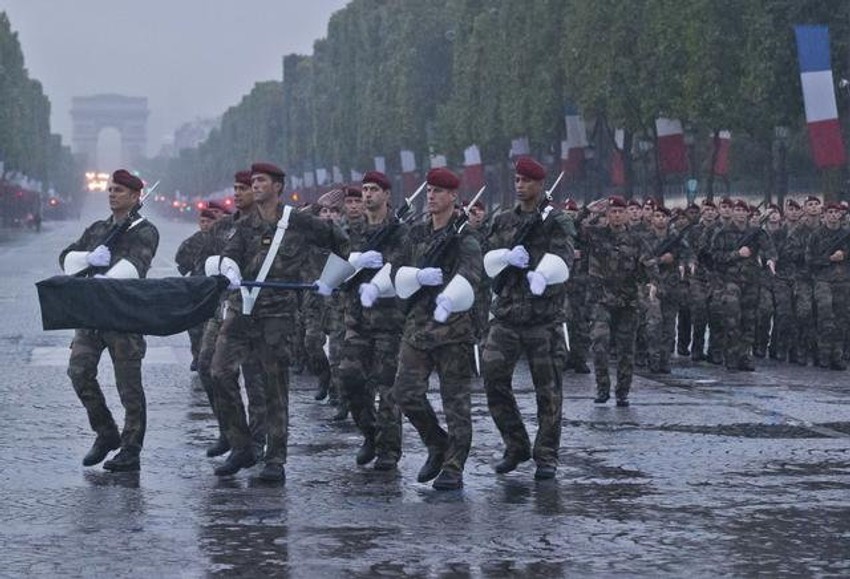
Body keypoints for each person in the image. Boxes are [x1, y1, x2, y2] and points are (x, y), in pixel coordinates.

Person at [209, 162, 349, 482]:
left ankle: (275, 459)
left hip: (277, 316)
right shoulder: (246, 223)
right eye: (253, 181)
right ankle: (242, 446)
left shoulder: (299, 222)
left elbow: (341, 243)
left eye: (262, 181)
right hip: (242, 310)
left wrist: (330, 280)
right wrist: (229, 269)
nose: (255, 185)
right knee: (218, 372)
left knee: (275, 387)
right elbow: (230, 255)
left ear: (278, 186)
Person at [59, 169, 160, 472]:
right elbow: (66, 257)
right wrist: (87, 258)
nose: (112, 194)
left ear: (135, 196)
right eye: (110, 189)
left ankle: (131, 450)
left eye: (119, 190)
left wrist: (104, 277)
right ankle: (106, 433)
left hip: (124, 317)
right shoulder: (98, 229)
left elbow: (136, 265)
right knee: (79, 373)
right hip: (92, 316)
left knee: (129, 387)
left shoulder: (144, 230)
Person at [482, 156, 575, 480]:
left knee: (548, 391)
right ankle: (516, 444)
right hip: (507, 314)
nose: (520, 186)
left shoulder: (556, 221)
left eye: (527, 181)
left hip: (543, 317)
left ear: (540, 185)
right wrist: (505, 257)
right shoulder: (503, 220)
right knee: (492, 378)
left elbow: (564, 259)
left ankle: (546, 455)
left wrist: (542, 274)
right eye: (517, 180)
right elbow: (488, 257)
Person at [392, 168, 482, 490]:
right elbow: (397, 269)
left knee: (456, 403)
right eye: (429, 190)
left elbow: (472, 274)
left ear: (453, 197)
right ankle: (436, 443)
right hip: (418, 327)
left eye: (438, 191)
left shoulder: (465, 236)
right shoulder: (416, 232)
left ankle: (454, 467)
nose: (431, 196)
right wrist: (415, 277)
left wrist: (449, 296)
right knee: (404, 393)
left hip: (452, 331)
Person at [338, 171, 408, 470]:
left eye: (374, 190)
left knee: (388, 387)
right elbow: (336, 269)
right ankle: (370, 433)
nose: (367, 194)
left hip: (389, 320)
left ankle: (389, 449)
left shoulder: (401, 231)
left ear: (387, 195)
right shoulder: (349, 230)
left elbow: (402, 267)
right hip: (356, 319)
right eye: (365, 189)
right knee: (350, 378)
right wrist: (355, 262)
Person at [197, 171, 267, 459]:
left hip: (255, 307)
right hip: (224, 306)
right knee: (207, 367)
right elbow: (205, 261)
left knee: (255, 377)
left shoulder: (269, 225)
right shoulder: (222, 226)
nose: (237, 193)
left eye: (244, 188)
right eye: (235, 188)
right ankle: (229, 430)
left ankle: (256, 440)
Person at [583, 196, 657, 406]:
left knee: (626, 349)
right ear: (607, 215)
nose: (616, 216)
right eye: (612, 212)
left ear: (625, 215)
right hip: (601, 299)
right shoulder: (596, 234)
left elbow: (649, 263)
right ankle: (602, 388)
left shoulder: (636, 240)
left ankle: (622, 392)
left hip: (627, 301)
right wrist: (590, 211)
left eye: (620, 212)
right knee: (600, 343)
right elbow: (574, 227)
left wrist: (653, 282)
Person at [707, 199, 776, 371]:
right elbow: (714, 257)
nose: (740, 213)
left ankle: (745, 356)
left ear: (747, 213)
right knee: (732, 319)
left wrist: (770, 260)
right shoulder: (722, 233)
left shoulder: (756, 232)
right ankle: (731, 355)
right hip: (730, 281)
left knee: (749, 319)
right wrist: (736, 254)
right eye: (736, 210)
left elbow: (769, 249)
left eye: (743, 210)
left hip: (751, 281)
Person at [176, 208, 219, 371]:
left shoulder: (222, 240)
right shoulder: (193, 241)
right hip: (197, 288)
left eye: (209, 221)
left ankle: (211, 358)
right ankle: (197, 356)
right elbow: (181, 259)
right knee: (195, 328)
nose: (205, 224)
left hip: (215, 289)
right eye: (202, 221)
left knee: (213, 327)